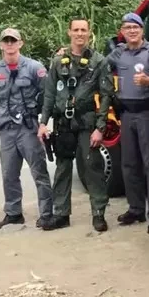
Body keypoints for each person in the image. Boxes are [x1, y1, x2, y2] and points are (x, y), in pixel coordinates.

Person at [39, 18, 114, 232]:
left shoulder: (98, 61)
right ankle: (61, 213)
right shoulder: (58, 61)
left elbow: (106, 96)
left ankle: (98, 213)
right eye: (76, 30)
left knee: (92, 167)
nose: (80, 34)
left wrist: (100, 128)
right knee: (62, 168)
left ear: (89, 33)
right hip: (63, 122)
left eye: (83, 30)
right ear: (69, 32)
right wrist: (43, 123)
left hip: (87, 121)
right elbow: (49, 94)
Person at [107, 12, 149, 234]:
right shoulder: (118, 53)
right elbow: (98, 67)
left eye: (135, 27)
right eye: (127, 27)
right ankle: (135, 209)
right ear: (122, 32)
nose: (131, 31)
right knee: (129, 163)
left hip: (148, 112)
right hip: (126, 113)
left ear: (142, 30)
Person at [0, 28, 54, 231]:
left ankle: (46, 213)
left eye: (13, 40)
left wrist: (43, 122)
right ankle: (14, 213)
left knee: (39, 172)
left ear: (20, 43)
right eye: (6, 41)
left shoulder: (34, 68)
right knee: (9, 173)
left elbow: (47, 96)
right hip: (6, 129)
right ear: (0, 44)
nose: (9, 44)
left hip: (28, 128)